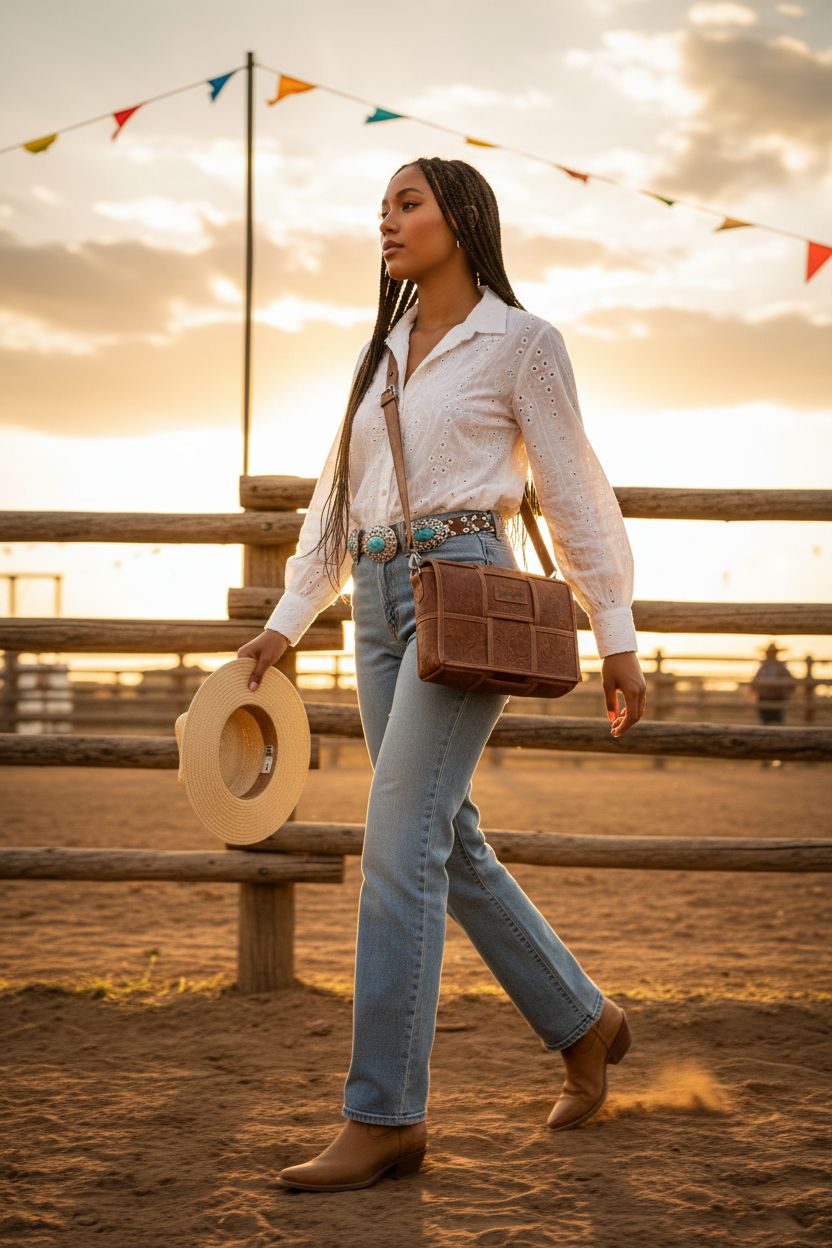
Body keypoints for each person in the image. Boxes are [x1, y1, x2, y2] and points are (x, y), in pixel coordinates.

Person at [238, 156, 646, 1192]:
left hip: (467, 590)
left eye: (406, 202)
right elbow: (343, 499)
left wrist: (616, 634)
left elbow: (576, 494)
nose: (386, 218)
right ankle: (584, 1023)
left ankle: (385, 1118)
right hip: (377, 603)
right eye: (379, 205)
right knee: (440, 834)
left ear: (461, 217)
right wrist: (288, 623)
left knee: (396, 837)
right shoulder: (380, 354)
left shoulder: (522, 344)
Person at [750, 643, 797, 726]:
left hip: (777, 697)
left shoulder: (780, 667)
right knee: (765, 721)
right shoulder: (764, 667)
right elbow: (754, 682)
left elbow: (791, 682)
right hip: (765, 697)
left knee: (777, 721)